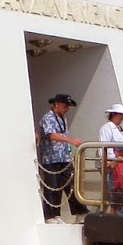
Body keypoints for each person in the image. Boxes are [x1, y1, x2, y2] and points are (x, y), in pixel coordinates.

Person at [38, 93, 87, 223]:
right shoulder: (47, 118)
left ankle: (80, 211)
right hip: (51, 158)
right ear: (57, 104)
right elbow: (52, 135)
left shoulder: (63, 119)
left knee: (71, 184)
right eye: (65, 105)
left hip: (64, 157)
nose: (67, 108)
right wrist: (71, 140)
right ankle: (52, 215)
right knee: (53, 186)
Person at [97, 103, 123, 214]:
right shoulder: (107, 128)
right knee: (115, 191)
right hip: (113, 163)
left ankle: (101, 214)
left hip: (120, 162)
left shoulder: (120, 129)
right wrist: (111, 160)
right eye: (120, 114)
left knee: (114, 192)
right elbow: (104, 145)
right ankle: (117, 216)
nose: (122, 117)